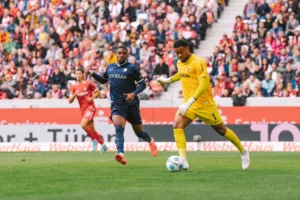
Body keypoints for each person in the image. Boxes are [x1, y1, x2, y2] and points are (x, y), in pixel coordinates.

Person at [157, 39, 250, 170]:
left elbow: (204, 84)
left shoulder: (198, 62)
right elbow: (183, 73)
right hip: (189, 104)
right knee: (177, 125)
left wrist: (190, 101)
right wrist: (168, 80)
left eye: (181, 52)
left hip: (204, 103)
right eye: (177, 53)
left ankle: (243, 151)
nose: (179, 55)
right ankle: (183, 160)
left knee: (221, 130)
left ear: (187, 48)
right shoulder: (179, 62)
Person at [87, 46, 158, 165]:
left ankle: (150, 140)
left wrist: (133, 93)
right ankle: (121, 154)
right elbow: (104, 80)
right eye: (119, 53)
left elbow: (143, 85)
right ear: (116, 54)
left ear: (127, 55)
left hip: (132, 104)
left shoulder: (132, 68)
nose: (121, 55)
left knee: (139, 133)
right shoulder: (110, 67)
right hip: (117, 104)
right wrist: (92, 73)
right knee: (119, 127)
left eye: (123, 53)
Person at [68, 68, 107, 153]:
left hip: (90, 107)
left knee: (83, 124)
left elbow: (98, 92)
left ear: (83, 74)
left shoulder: (88, 83)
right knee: (92, 130)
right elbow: (69, 101)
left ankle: (94, 141)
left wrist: (92, 98)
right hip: (82, 109)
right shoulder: (74, 87)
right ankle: (103, 145)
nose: (78, 75)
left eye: (79, 73)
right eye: (76, 74)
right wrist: (74, 95)